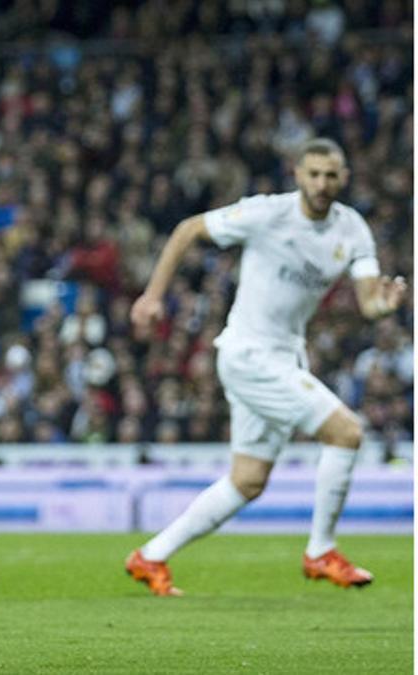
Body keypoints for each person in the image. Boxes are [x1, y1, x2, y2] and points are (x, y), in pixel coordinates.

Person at [124, 137, 407, 596]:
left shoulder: (352, 228)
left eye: (330, 175)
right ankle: (320, 550)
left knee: (248, 480)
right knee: (347, 432)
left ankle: (150, 557)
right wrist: (153, 296)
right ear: (297, 174)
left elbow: (369, 301)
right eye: (313, 174)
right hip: (248, 353)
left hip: (285, 354)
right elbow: (188, 229)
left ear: (344, 178)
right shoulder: (267, 213)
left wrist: (385, 304)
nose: (321, 183)